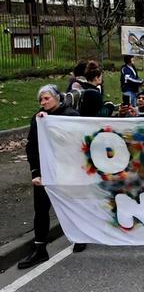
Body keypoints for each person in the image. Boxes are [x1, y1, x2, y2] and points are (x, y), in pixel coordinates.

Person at [19, 85, 84, 269]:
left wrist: (51, 124)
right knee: (40, 209)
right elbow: (31, 147)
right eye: (41, 99)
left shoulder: (70, 115)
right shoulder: (38, 119)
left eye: (46, 98)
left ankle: (80, 236)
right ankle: (40, 249)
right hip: (45, 171)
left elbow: (76, 141)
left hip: (65, 170)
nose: (43, 102)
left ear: (57, 97)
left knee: (71, 204)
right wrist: (35, 172)